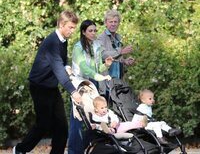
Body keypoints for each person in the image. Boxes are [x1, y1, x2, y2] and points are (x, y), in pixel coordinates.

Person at [13, 10, 82, 154]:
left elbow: (61, 62)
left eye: (74, 28)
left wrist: (67, 67)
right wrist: (73, 91)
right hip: (39, 87)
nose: (72, 31)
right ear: (62, 24)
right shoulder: (52, 42)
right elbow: (58, 70)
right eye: (70, 27)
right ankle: (19, 150)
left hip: (51, 87)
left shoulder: (63, 40)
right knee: (43, 124)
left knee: (62, 127)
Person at [68, 19, 113, 154]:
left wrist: (107, 65)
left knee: (93, 118)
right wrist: (100, 77)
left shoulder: (96, 46)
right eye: (90, 31)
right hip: (79, 85)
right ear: (83, 32)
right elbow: (84, 68)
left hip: (91, 85)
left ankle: (85, 148)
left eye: (95, 30)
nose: (93, 33)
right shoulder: (78, 48)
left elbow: (97, 67)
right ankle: (73, 151)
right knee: (78, 119)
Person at [97, 9, 135, 80]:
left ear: (119, 23)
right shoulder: (101, 38)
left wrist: (124, 61)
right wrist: (120, 51)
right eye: (111, 22)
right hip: (106, 80)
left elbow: (115, 59)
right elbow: (101, 55)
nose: (113, 24)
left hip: (118, 80)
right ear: (105, 23)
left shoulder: (118, 38)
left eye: (115, 22)